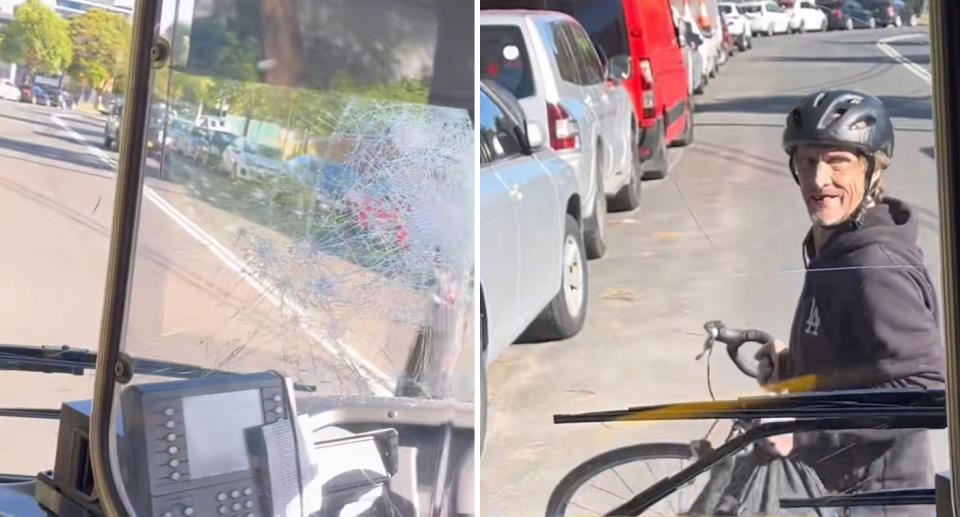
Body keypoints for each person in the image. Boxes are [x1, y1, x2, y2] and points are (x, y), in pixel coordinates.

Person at [756, 90, 947, 516]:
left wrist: (803, 432)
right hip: (837, 490)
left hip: (875, 501)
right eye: (807, 162)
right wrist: (797, 365)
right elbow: (870, 363)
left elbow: (925, 391)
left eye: (837, 161)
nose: (818, 179)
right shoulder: (837, 244)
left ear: (873, 169)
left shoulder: (874, 264)